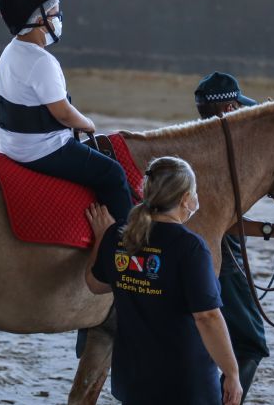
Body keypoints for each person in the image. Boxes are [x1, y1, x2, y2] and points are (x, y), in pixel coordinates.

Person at [85, 156, 243, 405]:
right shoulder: (190, 246)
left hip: (133, 376)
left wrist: (102, 238)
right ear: (185, 198)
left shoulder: (118, 237)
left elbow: (95, 284)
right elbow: (207, 317)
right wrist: (232, 373)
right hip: (183, 381)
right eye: (194, 192)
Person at [194, 72, 274, 403]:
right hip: (222, 254)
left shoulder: (192, 143)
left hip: (194, 248)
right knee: (250, 343)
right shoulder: (224, 154)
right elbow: (223, 222)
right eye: (239, 106)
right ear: (230, 108)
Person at [0, 0, 133, 226]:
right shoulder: (41, 62)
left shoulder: (10, 52)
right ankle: (124, 240)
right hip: (42, 150)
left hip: (10, 144)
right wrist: (87, 123)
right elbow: (63, 114)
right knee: (112, 174)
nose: (58, 18)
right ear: (39, 19)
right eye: (54, 13)